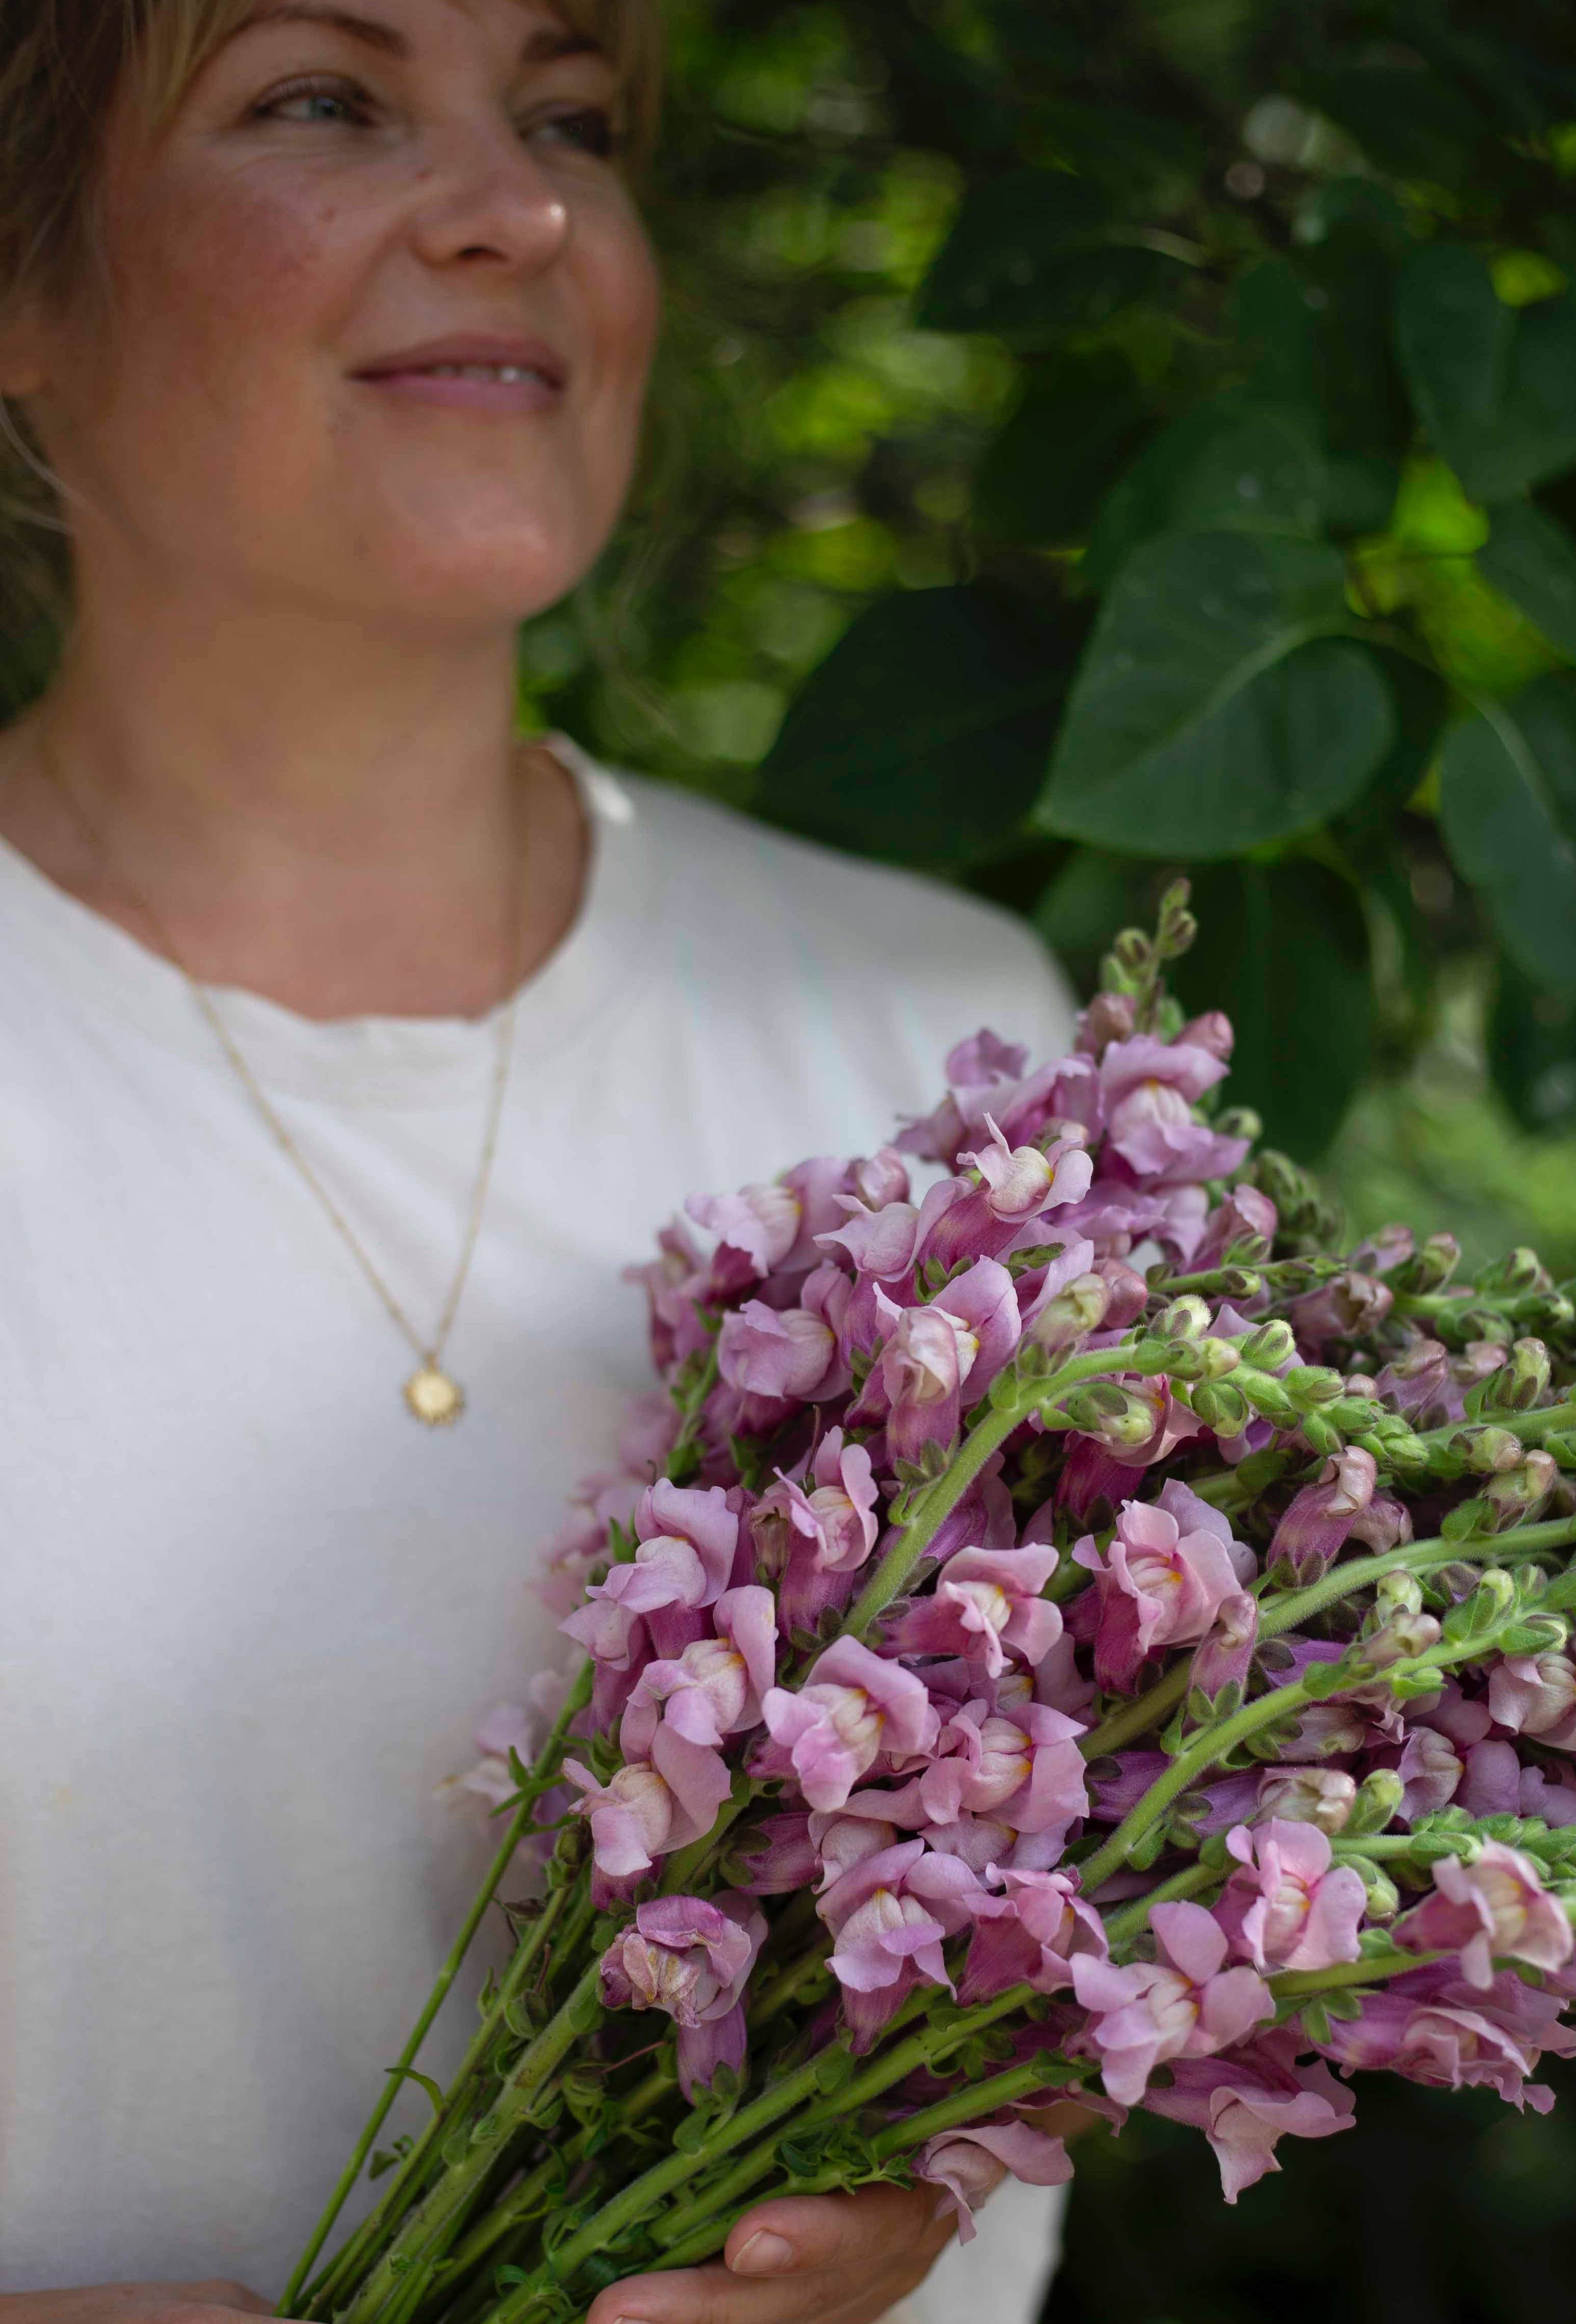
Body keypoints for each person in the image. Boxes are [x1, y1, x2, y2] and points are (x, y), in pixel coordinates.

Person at [0, 4, 1078, 2321]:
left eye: (569, 117)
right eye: (320, 98)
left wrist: (923, 2168)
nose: (522, 208)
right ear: (25, 276)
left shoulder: (946, 1064)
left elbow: (1104, 1899)